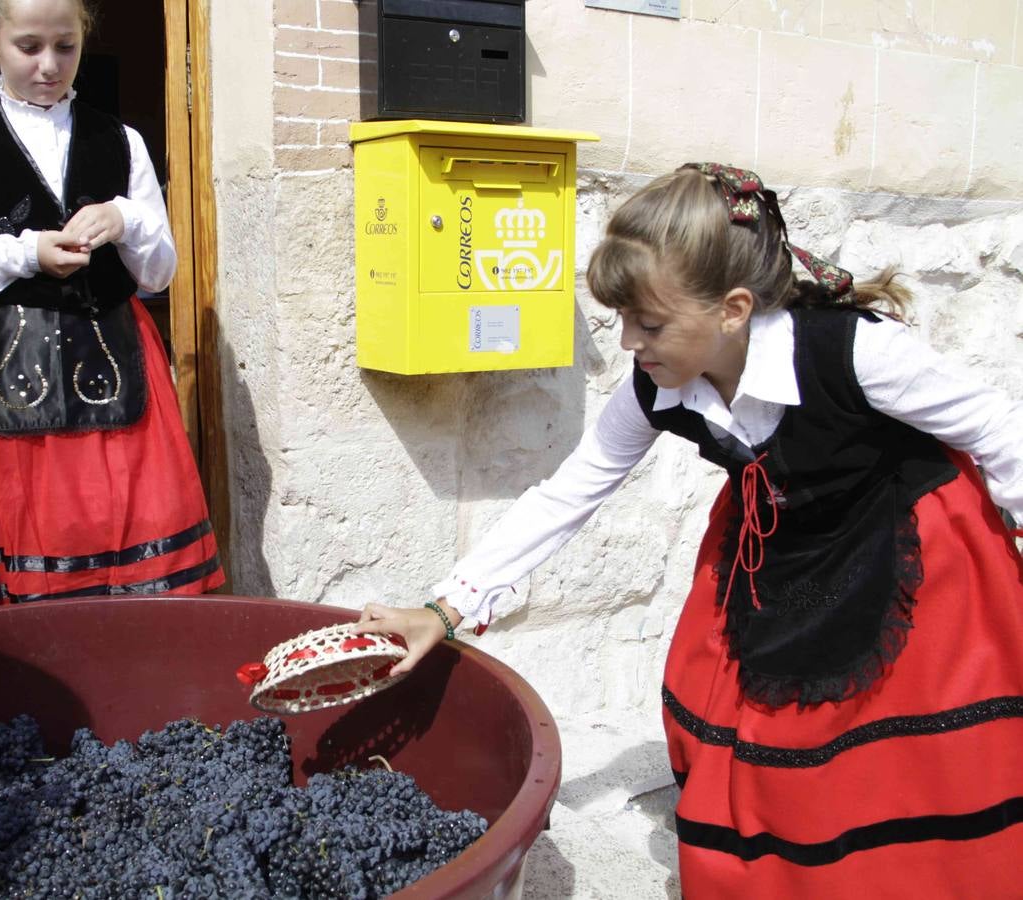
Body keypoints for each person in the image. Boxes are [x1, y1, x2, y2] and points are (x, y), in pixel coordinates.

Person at [357, 164, 1023, 896]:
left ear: (733, 310)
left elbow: (997, 428)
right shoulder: (656, 385)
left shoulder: (855, 350)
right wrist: (447, 608)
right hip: (782, 542)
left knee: (884, 756)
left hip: (905, 552)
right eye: (621, 320)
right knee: (752, 733)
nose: (628, 344)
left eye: (649, 323)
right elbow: (569, 492)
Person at [0, 0, 223, 609]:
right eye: (29, 47)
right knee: (22, 529)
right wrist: (24, 254)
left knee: (122, 525)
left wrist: (126, 217)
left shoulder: (120, 140)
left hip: (112, 353)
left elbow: (160, 271)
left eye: (66, 47)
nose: (49, 65)